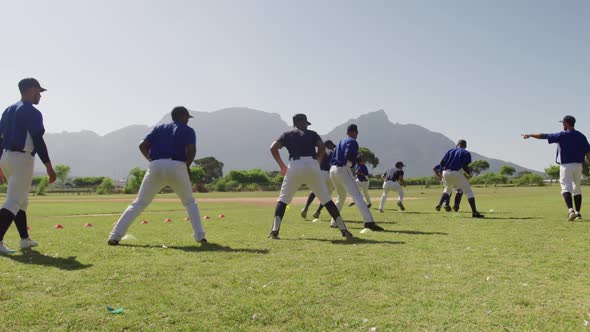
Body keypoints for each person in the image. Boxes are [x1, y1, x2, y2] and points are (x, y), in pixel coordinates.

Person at [108, 106, 206, 245]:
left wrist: (152, 161)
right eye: (187, 118)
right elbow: (191, 150)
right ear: (183, 117)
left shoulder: (159, 128)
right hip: (177, 165)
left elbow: (142, 145)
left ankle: (115, 236)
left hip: (155, 166)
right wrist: (187, 166)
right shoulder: (188, 130)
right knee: (190, 203)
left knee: (139, 203)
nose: (188, 121)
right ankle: (200, 237)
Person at [269, 114, 353, 239]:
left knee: (283, 199)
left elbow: (273, 147)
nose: (306, 125)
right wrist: (317, 161)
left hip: (294, 165)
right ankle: (344, 230)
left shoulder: (286, 134)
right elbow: (321, 146)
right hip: (312, 165)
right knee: (326, 199)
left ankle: (275, 231)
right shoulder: (312, 134)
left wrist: (282, 166)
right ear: (301, 122)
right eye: (305, 123)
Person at [0, 78, 56, 254]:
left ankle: (25, 239)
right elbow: (38, 139)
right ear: (31, 90)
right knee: (14, 201)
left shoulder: (8, 110)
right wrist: (48, 166)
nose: (40, 95)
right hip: (22, 159)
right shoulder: (32, 112)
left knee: (21, 201)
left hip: (6, 157)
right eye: (38, 91)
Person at [522, 115, 590, 221]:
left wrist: (530, 135)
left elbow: (543, 135)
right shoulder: (581, 136)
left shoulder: (562, 135)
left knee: (565, 188)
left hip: (566, 165)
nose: (562, 125)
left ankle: (571, 210)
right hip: (578, 166)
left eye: (563, 123)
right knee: (577, 188)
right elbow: (588, 152)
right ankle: (578, 213)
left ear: (567, 123)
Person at [329, 124, 384, 231]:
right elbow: (348, 154)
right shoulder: (352, 141)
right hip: (342, 168)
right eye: (357, 132)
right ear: (355, 132)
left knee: (341, 197)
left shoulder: (341, 141)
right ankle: (369, 221)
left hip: (332, 170)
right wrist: (354, 161)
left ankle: (334, 222)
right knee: (357, 195)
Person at [439, 139, 485, 218]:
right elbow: (464, 166)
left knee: (448, 189)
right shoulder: (465, 152)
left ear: (457, 144)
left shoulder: (450, 151)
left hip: (445, 173)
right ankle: (474, 212)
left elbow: (441, 163)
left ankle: (443, 204)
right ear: (465, 146)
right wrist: (469, 173)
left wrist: (443, 172)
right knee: (468, 191)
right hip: (456, 173)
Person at [300, 140, 336, 219]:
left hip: (321, 173)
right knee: (327, 195)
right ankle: (317, 212)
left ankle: (306, 208)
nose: (333, 147)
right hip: (331, 175)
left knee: (314, 191)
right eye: (332, 146)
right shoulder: (334, 153)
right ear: (328, 145)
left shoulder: (321, 151)